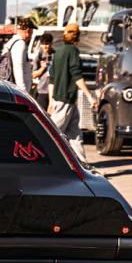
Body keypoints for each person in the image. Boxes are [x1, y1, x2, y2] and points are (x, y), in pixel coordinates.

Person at [48, 23, 98, 162]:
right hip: (66, 99)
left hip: (61, 99)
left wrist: (51, 100)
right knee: (53, 135)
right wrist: (90, 96)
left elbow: (52, 78)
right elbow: (76, 75)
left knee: (75, 135)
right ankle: (42, 162)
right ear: (77, 36)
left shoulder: (58, 52)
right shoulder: (73, 51)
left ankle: (82, 164)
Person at [3, 18, 34, 92]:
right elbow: (18, 68)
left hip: (10, 86)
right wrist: (23, 91)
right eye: (32, 31)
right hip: (16, 89)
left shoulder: (12, 42)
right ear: (28, 31)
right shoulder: (20, 44)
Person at [33, 32, 54, 109]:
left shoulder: (56, 55)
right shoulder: (39, 56)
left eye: (47, 44)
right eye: (43, 44)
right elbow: (33, 75)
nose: (45, 46)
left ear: (51, 43)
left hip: (54, 91)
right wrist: (42, 68)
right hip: (42, 90)